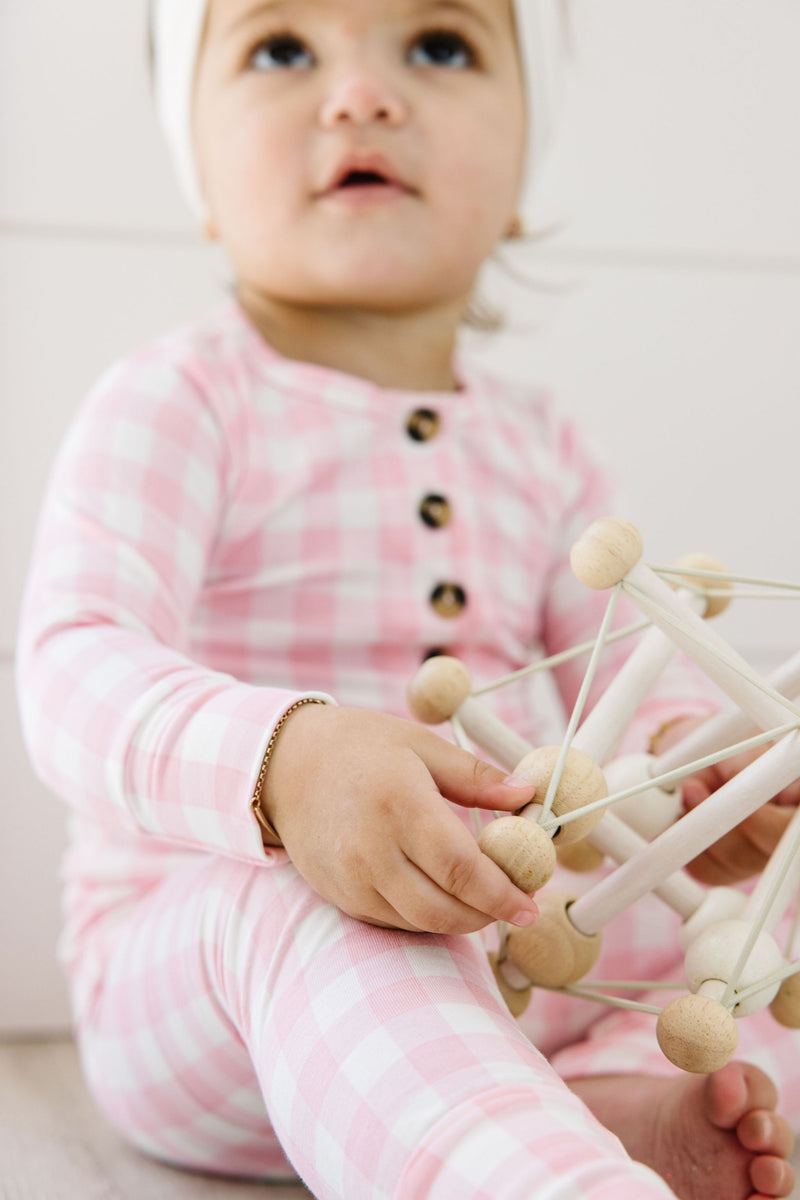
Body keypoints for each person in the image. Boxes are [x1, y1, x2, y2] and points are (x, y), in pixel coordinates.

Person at [16, 1, 799, 1196]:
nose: (361, 94)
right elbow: (72, 670)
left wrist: (694, 781)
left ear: (521, 176)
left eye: (439, 45)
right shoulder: (179, 402)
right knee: (314, 904)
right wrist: (280, 768)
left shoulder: (542, 446)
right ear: (200, 174)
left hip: (508, 927)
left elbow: (641, 674)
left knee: (745, 929)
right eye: (281, 48)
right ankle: (528, 1175)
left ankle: (597, 1103)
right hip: (210, 978)